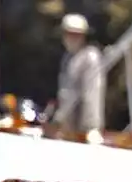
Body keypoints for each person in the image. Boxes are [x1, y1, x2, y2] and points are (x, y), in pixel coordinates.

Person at [52, 13, 105, 142]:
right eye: (69, 34)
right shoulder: (67, 58)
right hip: (67, 127)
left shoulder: (91, 57)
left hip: (85, 130)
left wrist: (91, 128)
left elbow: (91, 94)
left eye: (76, 34)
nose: (72, 38)